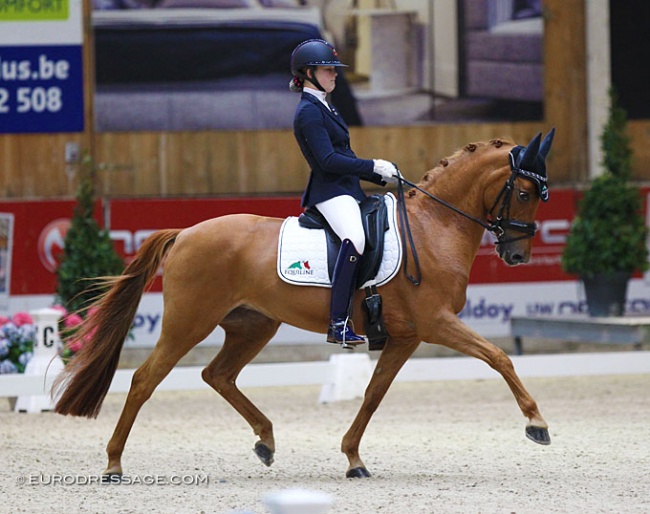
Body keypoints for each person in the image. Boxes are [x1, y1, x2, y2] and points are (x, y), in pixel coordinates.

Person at [289, 38, 399, 346]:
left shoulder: (326, 105)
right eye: (328, 70)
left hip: (347, 189)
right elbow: (327, 160)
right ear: (308, 72)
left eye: (335, 70)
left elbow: (342, 154)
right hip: (330, 191)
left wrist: (376, 174)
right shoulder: (309, 112)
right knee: (356, 239)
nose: (335, 75)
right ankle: (338, 322)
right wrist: (372, 166)